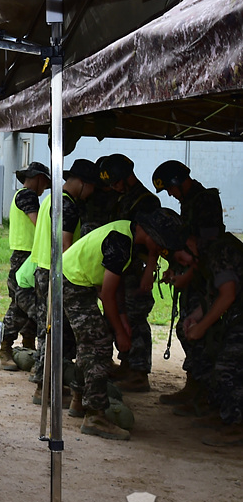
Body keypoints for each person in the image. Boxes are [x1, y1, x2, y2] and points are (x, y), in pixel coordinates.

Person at [61, 209, 182, 440]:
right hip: (71, 281)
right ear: (150, 234)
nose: (160, 249)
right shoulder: (121, 242)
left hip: (78, 280)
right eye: (160, 242)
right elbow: (107, 294)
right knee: (99, 345)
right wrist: (119, 333)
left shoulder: (128, 235)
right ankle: (95, 415)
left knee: (91, 344)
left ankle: (79, 399)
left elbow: (114, 287)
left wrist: (123, 320)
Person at [152, 159, 226, 407]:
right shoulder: (189, 203)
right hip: (193, 275)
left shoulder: (205, 201)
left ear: (177, 181)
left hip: (205, 278)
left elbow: (203, 248)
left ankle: (203, 390)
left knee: (196, 329)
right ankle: (194, 385)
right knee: (187, 327)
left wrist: (188, 273)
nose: (171, 195)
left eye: (170, 189)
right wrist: (174, 267)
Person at [27, 158, 98, 402]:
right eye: (92, 187)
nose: (92, 193)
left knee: (46, 330)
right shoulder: (67, 206)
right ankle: (48, 389)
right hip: (57, 273)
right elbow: (66, 246)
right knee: (57, 332)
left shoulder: (51, 200)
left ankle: (43, 385)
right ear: (82, 183)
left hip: (43, 269)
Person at [167, 229, 243, 446]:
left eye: (182, 258)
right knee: (220, 363)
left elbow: (228, 294)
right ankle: (224, 413)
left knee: (227, 368)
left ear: (190, 243)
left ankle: (236, 425)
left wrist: (202, 327)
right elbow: (216, 294)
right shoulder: (209, 254)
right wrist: (195, 317)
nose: (186, 264)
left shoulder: (219, 252)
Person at [97, 154, 161, 393]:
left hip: (138, 269)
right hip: (122, 266)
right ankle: (127, 362)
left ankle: (139, 371)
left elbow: (154, 240)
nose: (112, 187)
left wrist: (150, 271)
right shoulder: (122, 198)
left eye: (115, 182)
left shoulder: (146, 202)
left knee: (135, 318)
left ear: (126, 177)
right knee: (119, 314)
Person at [0, 161, 50, 370]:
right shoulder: (27, 195)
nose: (46, 188)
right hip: (25, 258)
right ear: (39, 178)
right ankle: (5, 349)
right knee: (21, 305)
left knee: (33, 303)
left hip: (31, 256)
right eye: (45, 183)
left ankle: (27, 348)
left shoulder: (25, 195)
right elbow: (39, 223)